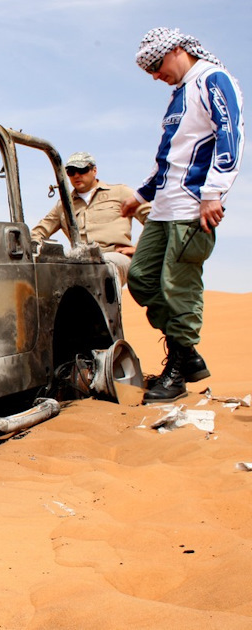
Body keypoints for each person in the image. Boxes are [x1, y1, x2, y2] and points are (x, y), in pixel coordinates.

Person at [120, 27, 244, 403]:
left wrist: (213, 193)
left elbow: (230, 133)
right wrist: (141, 194)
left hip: (193, 206)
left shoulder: (213, 80)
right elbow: (171, 154)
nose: (157, 76)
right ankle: (187, 354)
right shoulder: (179, 95)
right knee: (140, 278)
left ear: (176, 50)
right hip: (162, 208)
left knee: (179, 287)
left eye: (157, 67)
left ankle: (177, 372)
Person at [31, 151, 150, 286]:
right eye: (71, 171)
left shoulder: (120, 192)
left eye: (82, 170)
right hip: (79, 260)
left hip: (114, 257)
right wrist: (32, 246)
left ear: (94, 170)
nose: (76, 175)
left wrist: (139, 248)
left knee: (99, 269)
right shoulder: (63, 205)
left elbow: (152, 218)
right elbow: (39, 231)